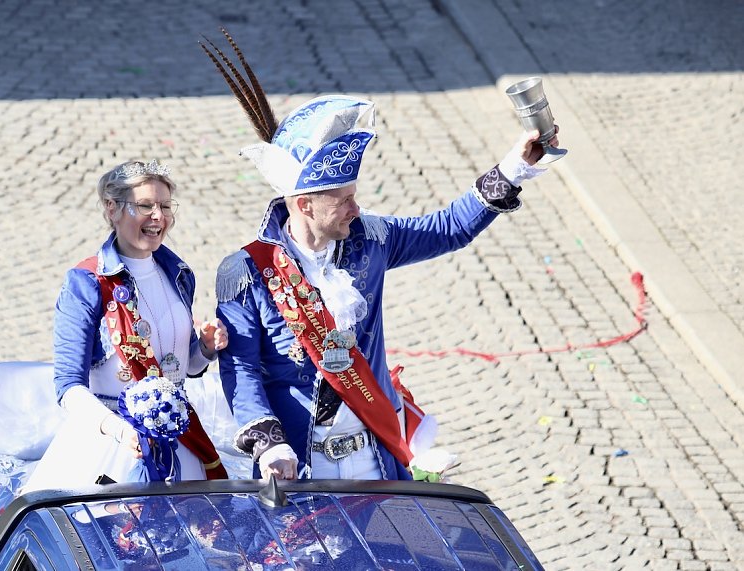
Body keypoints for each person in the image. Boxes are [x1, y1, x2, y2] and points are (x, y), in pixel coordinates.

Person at [203, 32, 559, 481]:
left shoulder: (370, 239)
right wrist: (270, 445)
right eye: (343, 199)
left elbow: (448, 227)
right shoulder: (245, 271)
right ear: (305, 204)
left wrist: (515, 166)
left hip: (375, 456)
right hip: (300, 463)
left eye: (355, 195)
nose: (356, 208)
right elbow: (242, 369)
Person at [26, 159, 229, 488]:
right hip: (111, 445)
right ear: (112, 209)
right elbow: (68, 387)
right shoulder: (86, 282)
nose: (158, 217)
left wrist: (204, 348)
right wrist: (120, 429)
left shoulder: (179, 274)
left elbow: (180, 368)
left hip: (180, 440)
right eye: (145, 206)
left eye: (164, 206)